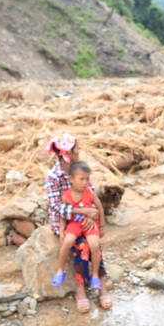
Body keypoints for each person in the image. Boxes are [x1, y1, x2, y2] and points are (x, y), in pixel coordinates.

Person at [44, 133, 112, 312]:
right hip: (66, 221)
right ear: (67, 154)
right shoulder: (54, 176)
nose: (79, 152)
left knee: (94, 243)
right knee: (81, 246)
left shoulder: (80, 169)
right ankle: (81, 288)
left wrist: (91, 215)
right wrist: (82, 211)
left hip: (86, 217)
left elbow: (91, 194)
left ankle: (100, 282)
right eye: (76, 150)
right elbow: (56, 207)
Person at [56, 161, 106, 295]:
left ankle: (95, 275)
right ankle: (60, 270)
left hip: (90, 223)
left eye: (87, 179)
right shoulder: (66, 195)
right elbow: (63, 214)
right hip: (74, 224)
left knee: (94, 245)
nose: (85, 182)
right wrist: (61, 230)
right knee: (67, 242)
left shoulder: (90, 192)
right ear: (71, 179)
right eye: (81, 179)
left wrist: (101, 225)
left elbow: (100, 208)